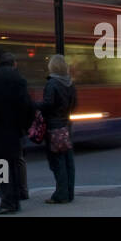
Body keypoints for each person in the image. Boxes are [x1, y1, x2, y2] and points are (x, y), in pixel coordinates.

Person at [0, 51, 32, 214]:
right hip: (14, 129)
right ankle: (15, 199)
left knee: (0, 166)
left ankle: (6, 201)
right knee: (14, 164)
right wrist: (23, 126)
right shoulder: (19, 78)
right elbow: (27, 105)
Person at [36, 54, 77, 204]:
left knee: (57, 161)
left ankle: (61, 194)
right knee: (68, 160)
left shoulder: (52, 83)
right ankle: (69, 192)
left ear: (52, 67)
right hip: (66, 124)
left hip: (54, 126)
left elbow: (48, 105)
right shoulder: (70, 83)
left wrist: (35, 106)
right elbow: (74, 105)